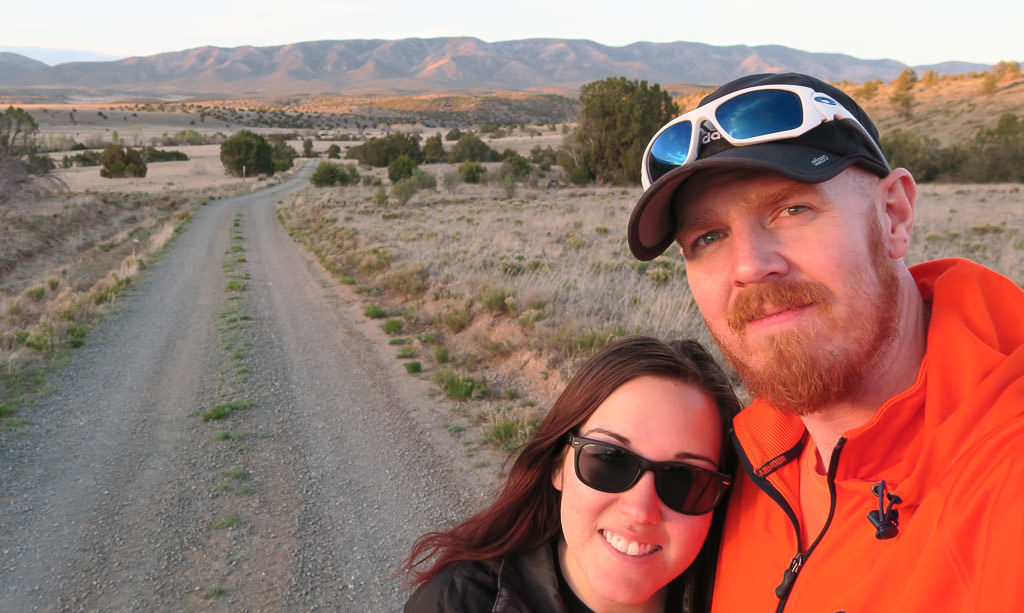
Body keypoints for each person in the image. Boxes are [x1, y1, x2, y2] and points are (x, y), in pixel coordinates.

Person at [626, 72, 1024, 612]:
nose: (750, 266)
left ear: (893, 215)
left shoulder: (1004, 470)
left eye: (792, 209)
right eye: (708, 237)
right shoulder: (732, 468)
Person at [403, 335, 741, 612]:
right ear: (558, 465)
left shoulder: (745, 600)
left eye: (684, 478)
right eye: (610, 460)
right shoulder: (458, 603)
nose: (641, 511)